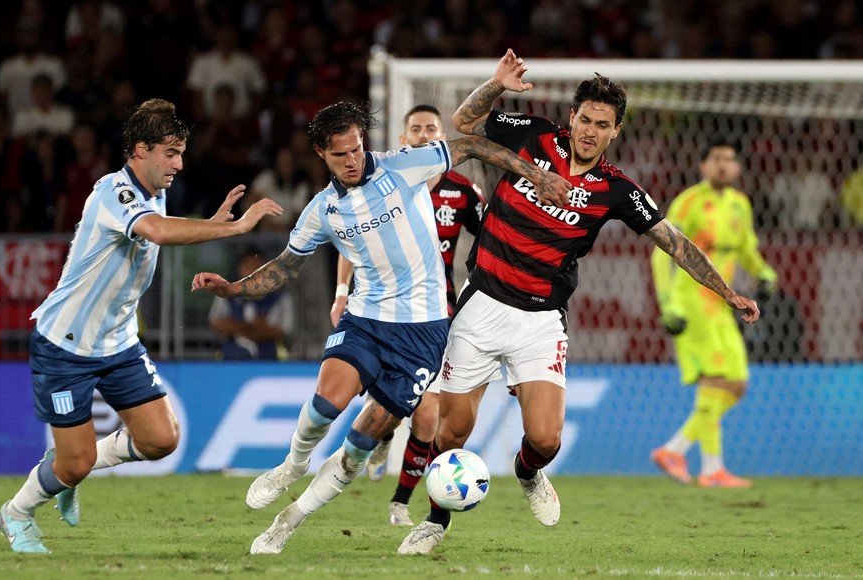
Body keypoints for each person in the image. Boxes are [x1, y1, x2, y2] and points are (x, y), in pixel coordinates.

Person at [397, 49, 762, 555]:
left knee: (546, 440)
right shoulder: (534, 135)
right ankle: (437, 521)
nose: (590, 130)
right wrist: (496, 84)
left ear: (616, 132)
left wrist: (726, 291)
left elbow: (673, 241)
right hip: (481, 304)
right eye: (585, 119)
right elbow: (462, 123)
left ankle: (528, 474)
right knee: (453, 429)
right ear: (572, 117)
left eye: (602, 124)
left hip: (541, 320)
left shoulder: (616, 190)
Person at [191, 101, 572, 555]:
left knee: (356, 447)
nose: (352, 160)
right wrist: (233, 290)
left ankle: (286, 522)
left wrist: (538, 175)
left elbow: (469, 144)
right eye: (340, 155)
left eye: (356, 149)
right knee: (324, 403)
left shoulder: (404, 166)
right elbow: (285, 268)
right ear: (320, 153)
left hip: (423, 334)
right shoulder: (322, 210)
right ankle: (292, 465)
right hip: (367, 318)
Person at [0, 98, 283, 554]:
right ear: (140, 150)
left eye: (181, 152)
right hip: (66, 344)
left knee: (161, 439)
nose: (179, 164)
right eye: (170, 152)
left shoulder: (156, 191)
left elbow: (162, 226)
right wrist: (234, 229)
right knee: (74, 464)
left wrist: (208, 223)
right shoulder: (114, 190)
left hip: (118, 341)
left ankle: (72, 464)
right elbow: (160, 232)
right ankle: (16, 512)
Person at [329, 104, 485, 527]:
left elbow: (490, 240)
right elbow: (352, 244)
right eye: (414, 129)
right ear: (403, 140)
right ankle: (382, 435)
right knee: (393, 409)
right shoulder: (382, 183)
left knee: (429, 416)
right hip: (383, 315)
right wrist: (342, 291)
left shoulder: (463, 192)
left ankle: (400, 500)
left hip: (437, 317)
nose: (422, 135)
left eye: (431, 128)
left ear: (440, 137)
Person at [650, 137, 778, 488]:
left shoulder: (740, 204)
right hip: (692, 301)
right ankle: (710, 468)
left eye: (729, 159)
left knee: (736, 383)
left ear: (737, 167)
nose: (723, 165)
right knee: (716, 380)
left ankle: (680, 452)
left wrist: (765, 273)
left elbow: (748, 250)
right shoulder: (689, 202)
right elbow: (661, 252)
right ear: (703, 166)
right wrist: (669, 304)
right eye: (716, 158)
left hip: (723, 304)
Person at [209, 246, 293, 361]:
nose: (253, 271)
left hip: (271, 360)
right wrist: (249, 327)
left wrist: (236, 327)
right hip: (231, 359)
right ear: (239, 268)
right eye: (248, 266)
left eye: (258, 267)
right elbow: (216, 323)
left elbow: (282, 330)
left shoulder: (280, 299)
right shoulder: (226, 295)